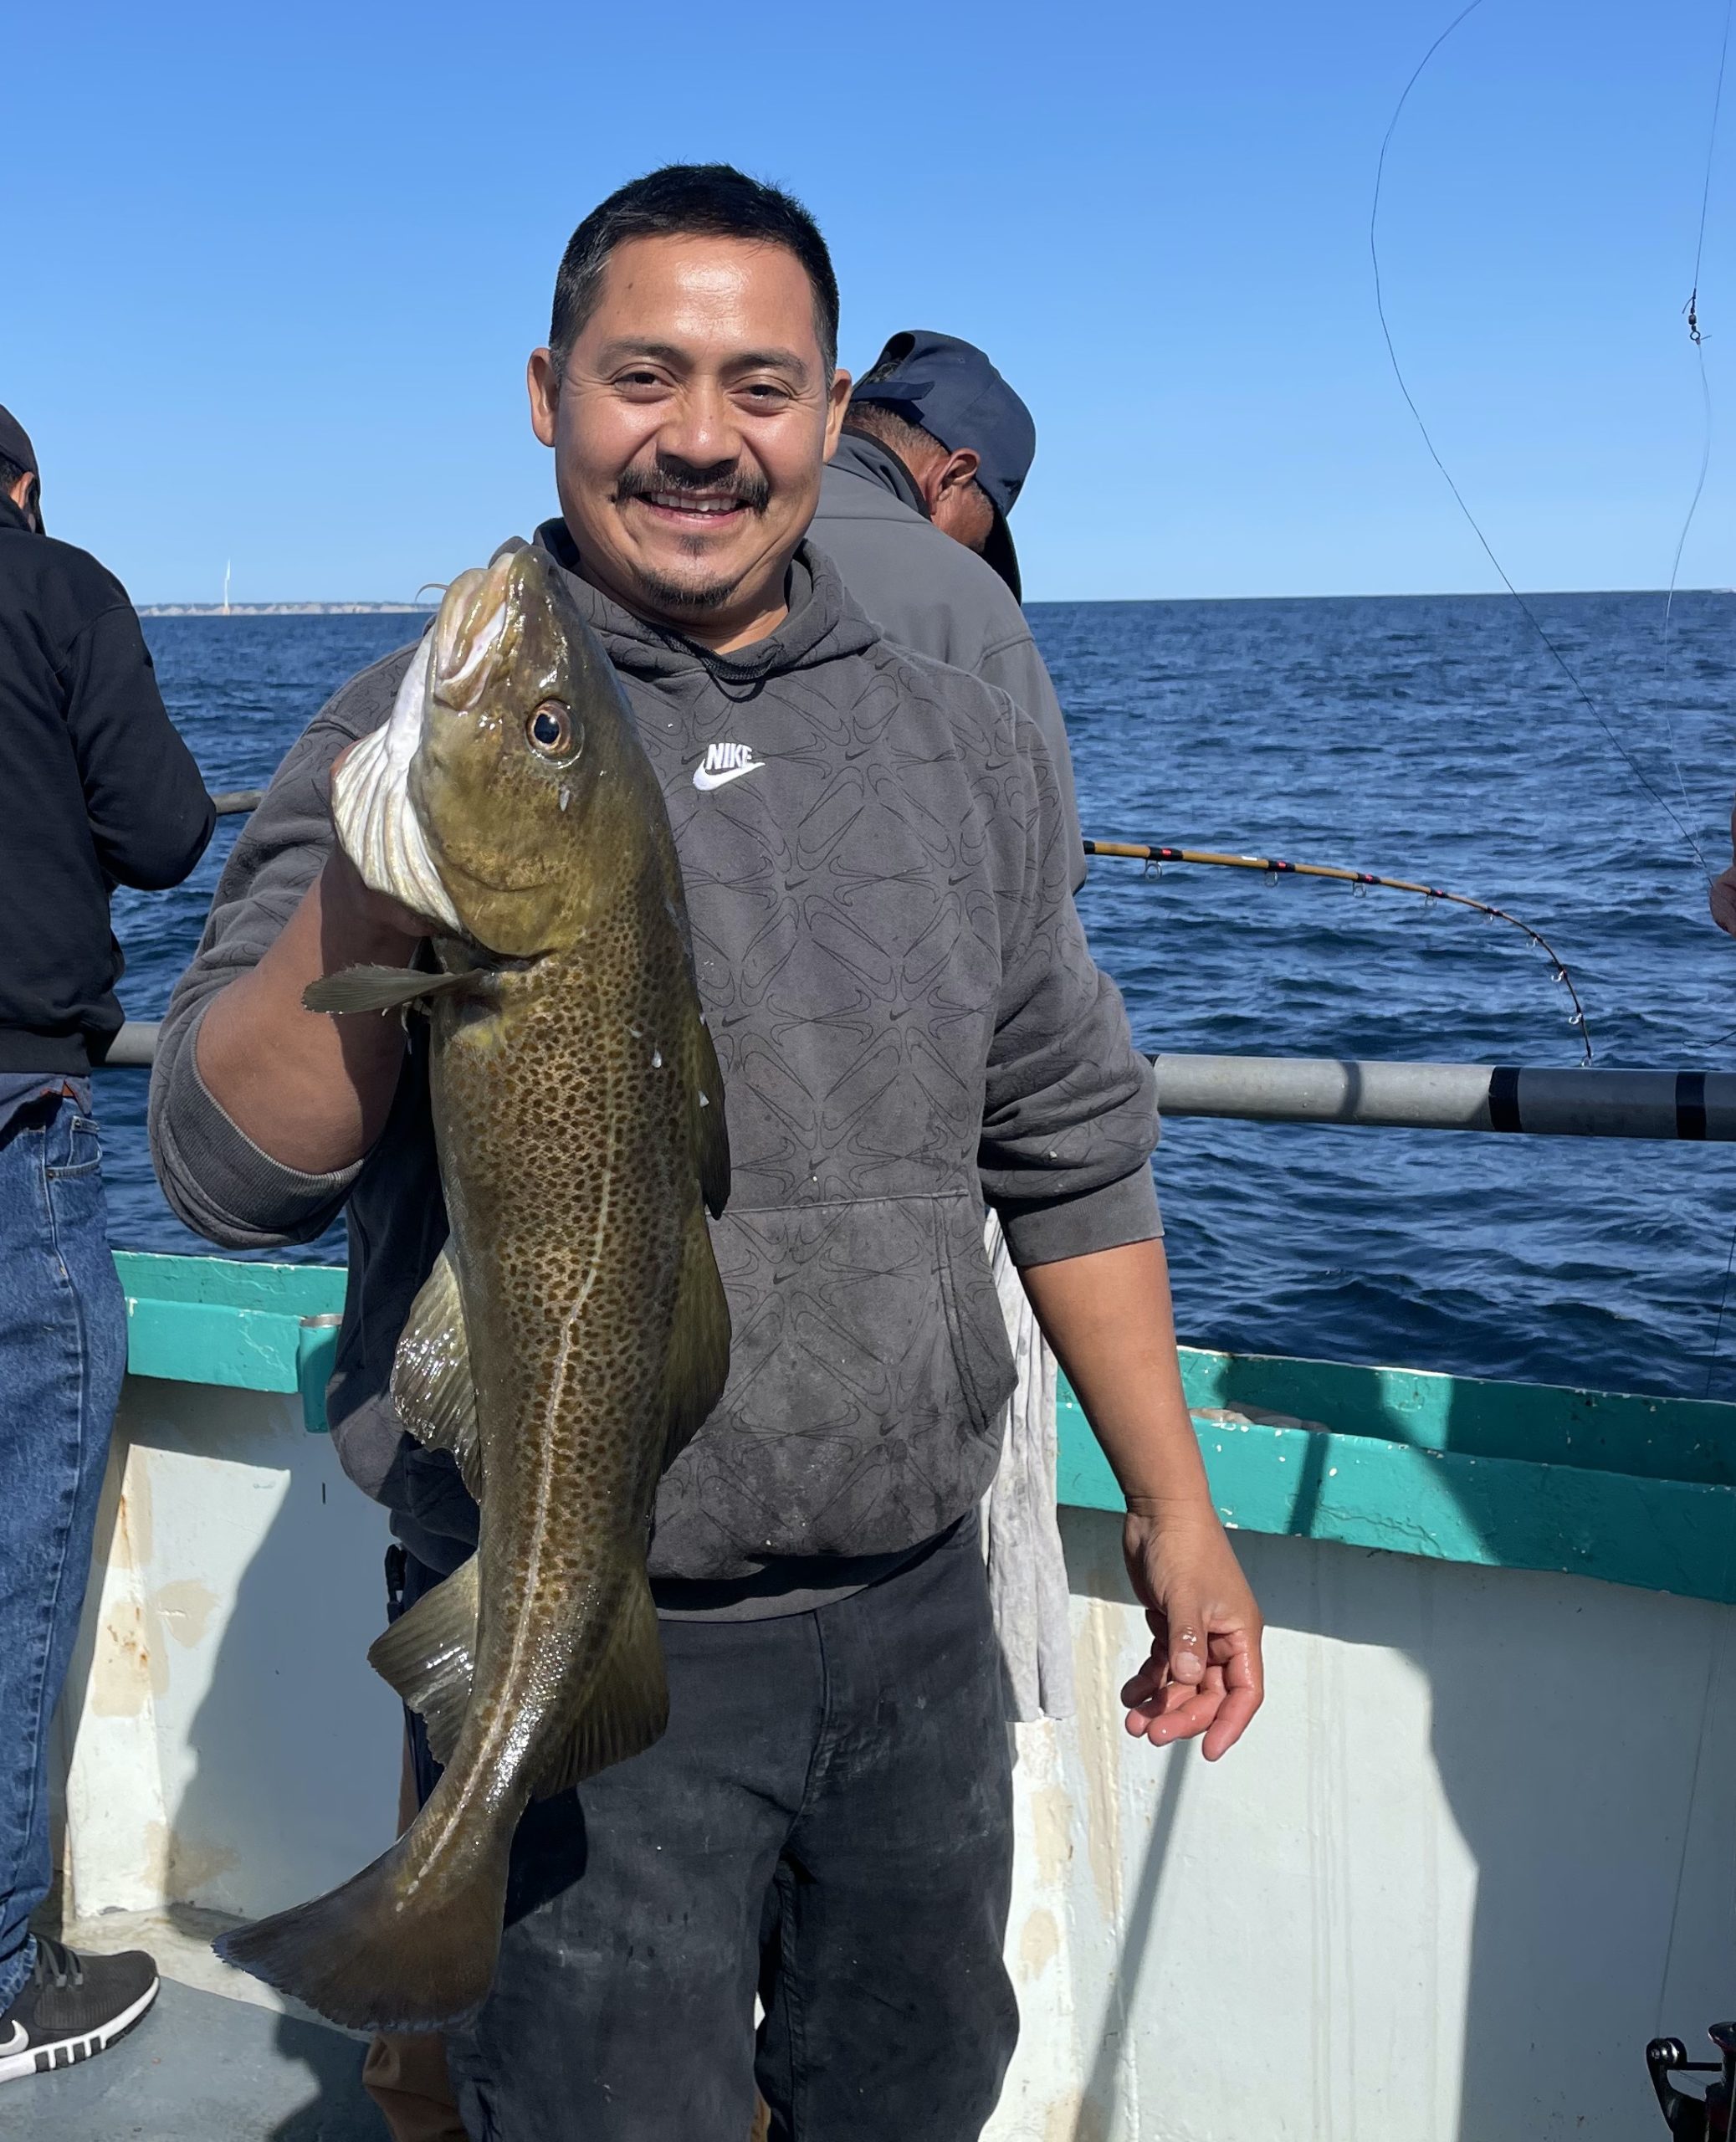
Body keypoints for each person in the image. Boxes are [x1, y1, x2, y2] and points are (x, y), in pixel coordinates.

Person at [150, 165, 1264, 2141]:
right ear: (546, 391)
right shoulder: (391, 734)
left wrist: (1170, 1504)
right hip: (580, 1600)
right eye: (638, 374)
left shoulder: (957, 709)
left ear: (832, 414)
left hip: (918, 1613)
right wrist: (396, 897)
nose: (696, 434)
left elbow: (1067, 1128)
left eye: (761, 385)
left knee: (912, 2090)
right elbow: (236, 1172)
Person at [0, 407, 214, 2083]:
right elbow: (159, 830)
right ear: (21, 490)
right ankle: (7, 1968)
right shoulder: (57, 588)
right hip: (14, 1118)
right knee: (20, 1545)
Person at [811, 329, 1082, 882]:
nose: (972, 552)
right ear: (953, 475)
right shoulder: (968, 600)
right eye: (982, 532)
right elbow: (1051, 869)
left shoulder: (706, 523)